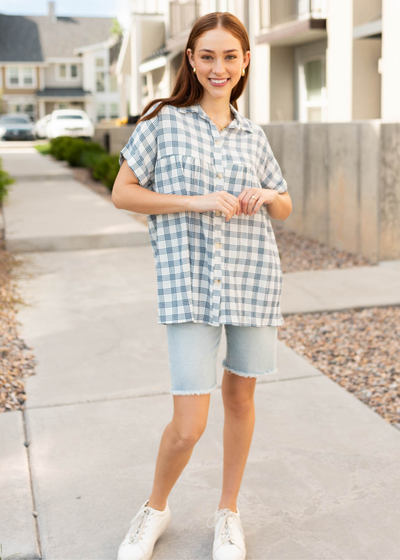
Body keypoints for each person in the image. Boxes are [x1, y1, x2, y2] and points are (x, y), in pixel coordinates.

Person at [112, 10, 292, 560]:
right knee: (188, 424)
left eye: (229, 57)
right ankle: (155, 508)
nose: (219, 67)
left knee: (240, 398)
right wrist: (195, 201)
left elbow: (284, 205)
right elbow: (124, 193)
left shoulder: (252, 135)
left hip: (252, 281)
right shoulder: (163, 124)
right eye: (207, 56)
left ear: (244, 64)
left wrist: (264, 195)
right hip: (189, 286)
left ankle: (228, 512)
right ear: (191, 59)